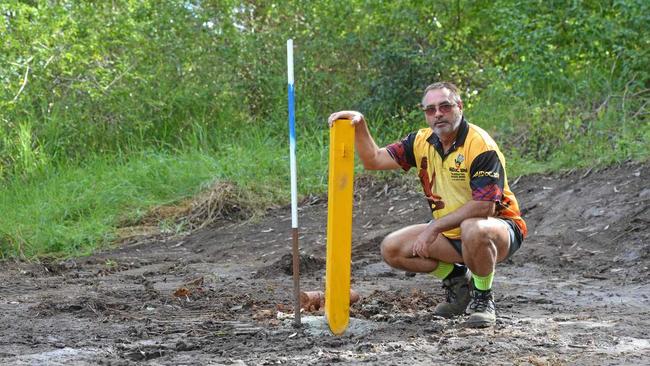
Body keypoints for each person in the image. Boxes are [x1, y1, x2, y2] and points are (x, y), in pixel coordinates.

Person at [327, 82, 527, 328]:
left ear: (460, 107)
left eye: (445, 106)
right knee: (392, 248)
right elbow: (374, 160)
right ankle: (458, 283)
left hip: (499, 230)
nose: (438, 114)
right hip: (452, 233)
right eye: (430, 109)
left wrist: (433, 228)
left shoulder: (480, 145)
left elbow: (484, 207)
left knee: (474, 228)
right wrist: (359, 124)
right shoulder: (421, 141)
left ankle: (483, 296)